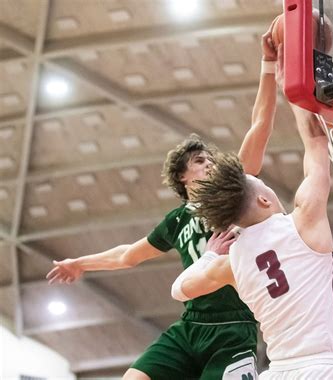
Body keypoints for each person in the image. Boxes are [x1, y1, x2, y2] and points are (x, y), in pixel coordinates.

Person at [46, 22, 279, 380]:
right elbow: (127, 255)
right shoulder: (177, 220)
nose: (211, 163)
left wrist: (267, 67)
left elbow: (259, 124)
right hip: (190, 326)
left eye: (211, 159)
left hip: (234, 327)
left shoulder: (233, 194)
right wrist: (80, 263)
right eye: (201, 161)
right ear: (182, 177)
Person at [171, 46, 333, 380]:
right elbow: (316, 143)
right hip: (320, 368)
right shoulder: (304, 221)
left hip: (277, 372)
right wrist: (294, 85)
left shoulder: (232, 264)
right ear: (266, 201)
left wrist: (210, 256)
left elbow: (180, 290)